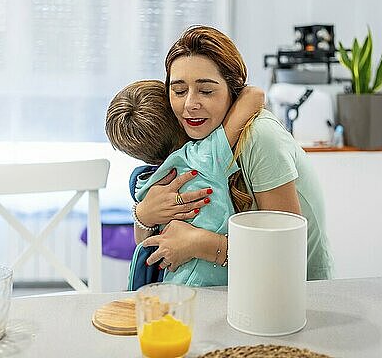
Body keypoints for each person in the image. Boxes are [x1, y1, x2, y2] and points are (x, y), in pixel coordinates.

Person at [133, 25, 333, 281]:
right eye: (179, 91)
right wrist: (144, 216)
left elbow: (286, 253)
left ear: (232, 90)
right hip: (236, 292)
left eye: (206, 91)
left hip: (297, 294)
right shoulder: (195, 136)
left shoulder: (260, 137)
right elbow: (149, 243)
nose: (190, 104)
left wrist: (199, 243)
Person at [106, 80, 265, 286]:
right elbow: (255, 95)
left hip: (174, 283)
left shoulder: (144, 183)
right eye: (180, 92)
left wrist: (141, 214)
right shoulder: (204, 157)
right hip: (217, 283)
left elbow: (142, 242)